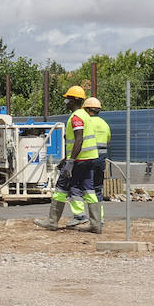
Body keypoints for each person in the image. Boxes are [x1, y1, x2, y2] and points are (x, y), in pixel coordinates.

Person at [34, 85, 100, 233]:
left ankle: (52, 221)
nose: (66, 102)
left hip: (79, 160)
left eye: (68, 99)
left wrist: (70, 162)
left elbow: (79, 140)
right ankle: (96, 224)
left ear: (75, 100)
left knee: (60, 188)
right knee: (89, 190)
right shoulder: (86, 116)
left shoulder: (76, 117)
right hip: (89, 159)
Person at [84, 97, 111, 203]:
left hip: (88, 158)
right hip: (101, 160)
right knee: (98, 188)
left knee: (86, 188)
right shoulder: (104, 124)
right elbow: (108, 140)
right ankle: (99, 217)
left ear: (87, 109)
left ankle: (87, 216)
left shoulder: (86, 122)